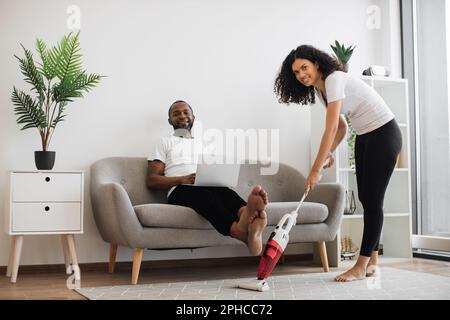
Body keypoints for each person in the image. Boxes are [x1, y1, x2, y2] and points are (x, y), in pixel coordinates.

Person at [274, 45, 402, 281]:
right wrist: (330, 151)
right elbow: (342, 128)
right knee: (367, 199)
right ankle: (372, 261)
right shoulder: (321, 91)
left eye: (304, 67)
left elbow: (331, 127)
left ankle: (361, 265)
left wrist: (314, 170)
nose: (301, 75)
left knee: (373, 202)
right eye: (296, 72)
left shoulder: (333, 80)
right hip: (365, 136)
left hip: (384, 134)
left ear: (317, 64)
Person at [146, 100, 268, 256]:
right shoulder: (164, 142)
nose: (182, 116)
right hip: (179, 189)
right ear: (170, 120)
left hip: (205, 182)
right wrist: (182, 179)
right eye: (176, 114)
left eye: (186, 112)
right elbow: (151, 180)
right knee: (207, 197)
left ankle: (246, 214)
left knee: (225, 193)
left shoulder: (203, 143)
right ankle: (241, 231)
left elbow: (212, 168)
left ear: (193, 117)